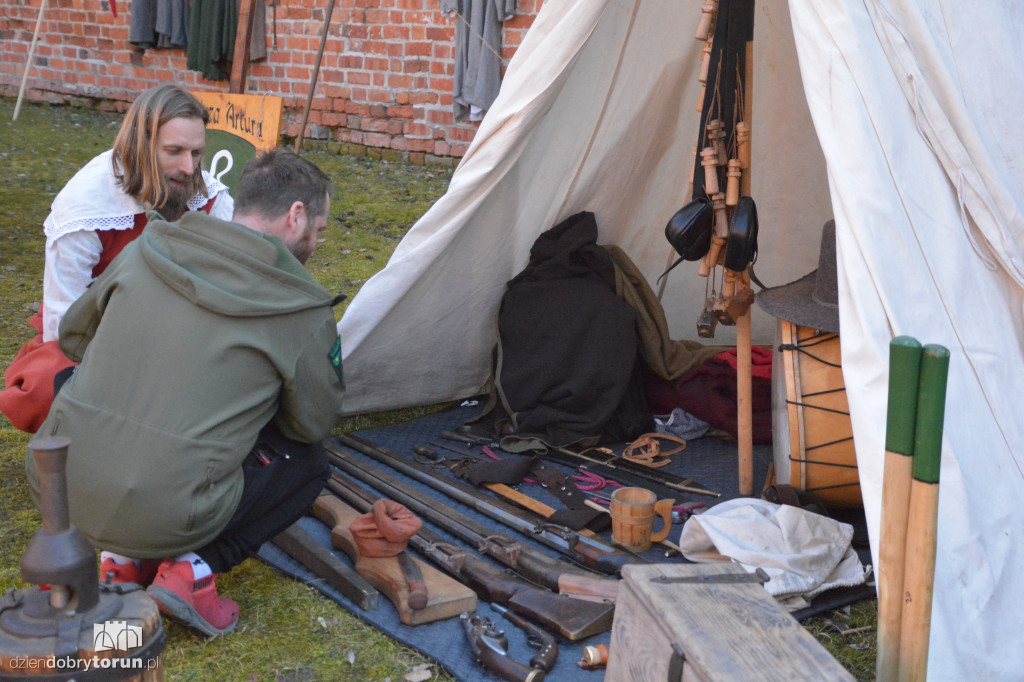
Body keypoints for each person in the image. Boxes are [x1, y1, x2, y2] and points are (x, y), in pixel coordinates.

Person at [25, 149, 346, 637]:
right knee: (308, 462)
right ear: (295, 215)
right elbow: (313, 422)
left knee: (82, 385)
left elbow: (73, 337)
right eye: (318, 230)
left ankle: (120, 560)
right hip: (175, 508)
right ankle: (191, 571)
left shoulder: (147, 247)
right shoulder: (301, 308)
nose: (316, 243)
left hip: (62, 486)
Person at [0, 84, 233, 434]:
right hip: (100, 336)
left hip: (184, 331)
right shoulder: (86, 207)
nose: (188, 167)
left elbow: (240, 276)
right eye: (174, 151)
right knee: (46, 387)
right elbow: (64, 326)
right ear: (140, 146)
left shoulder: (207, 195)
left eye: (197, 153)